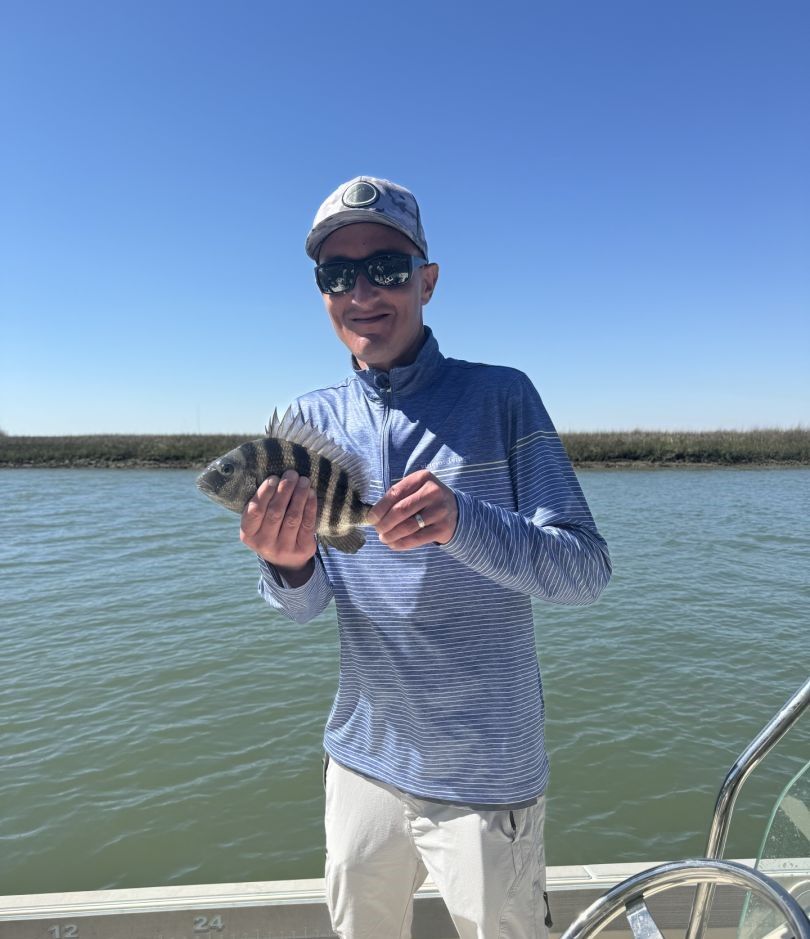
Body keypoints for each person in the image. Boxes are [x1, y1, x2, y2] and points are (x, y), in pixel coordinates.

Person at [239, 176, 611, 939]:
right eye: (337, 273)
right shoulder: (308, 420)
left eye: (386, 265)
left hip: (487, 777)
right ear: (321, 293)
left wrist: (462, 522)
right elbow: (304, 606)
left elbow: (584, 572)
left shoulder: (502, 396)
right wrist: (287, 565)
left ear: (427, 281)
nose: (362, 290)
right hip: (360, 761)